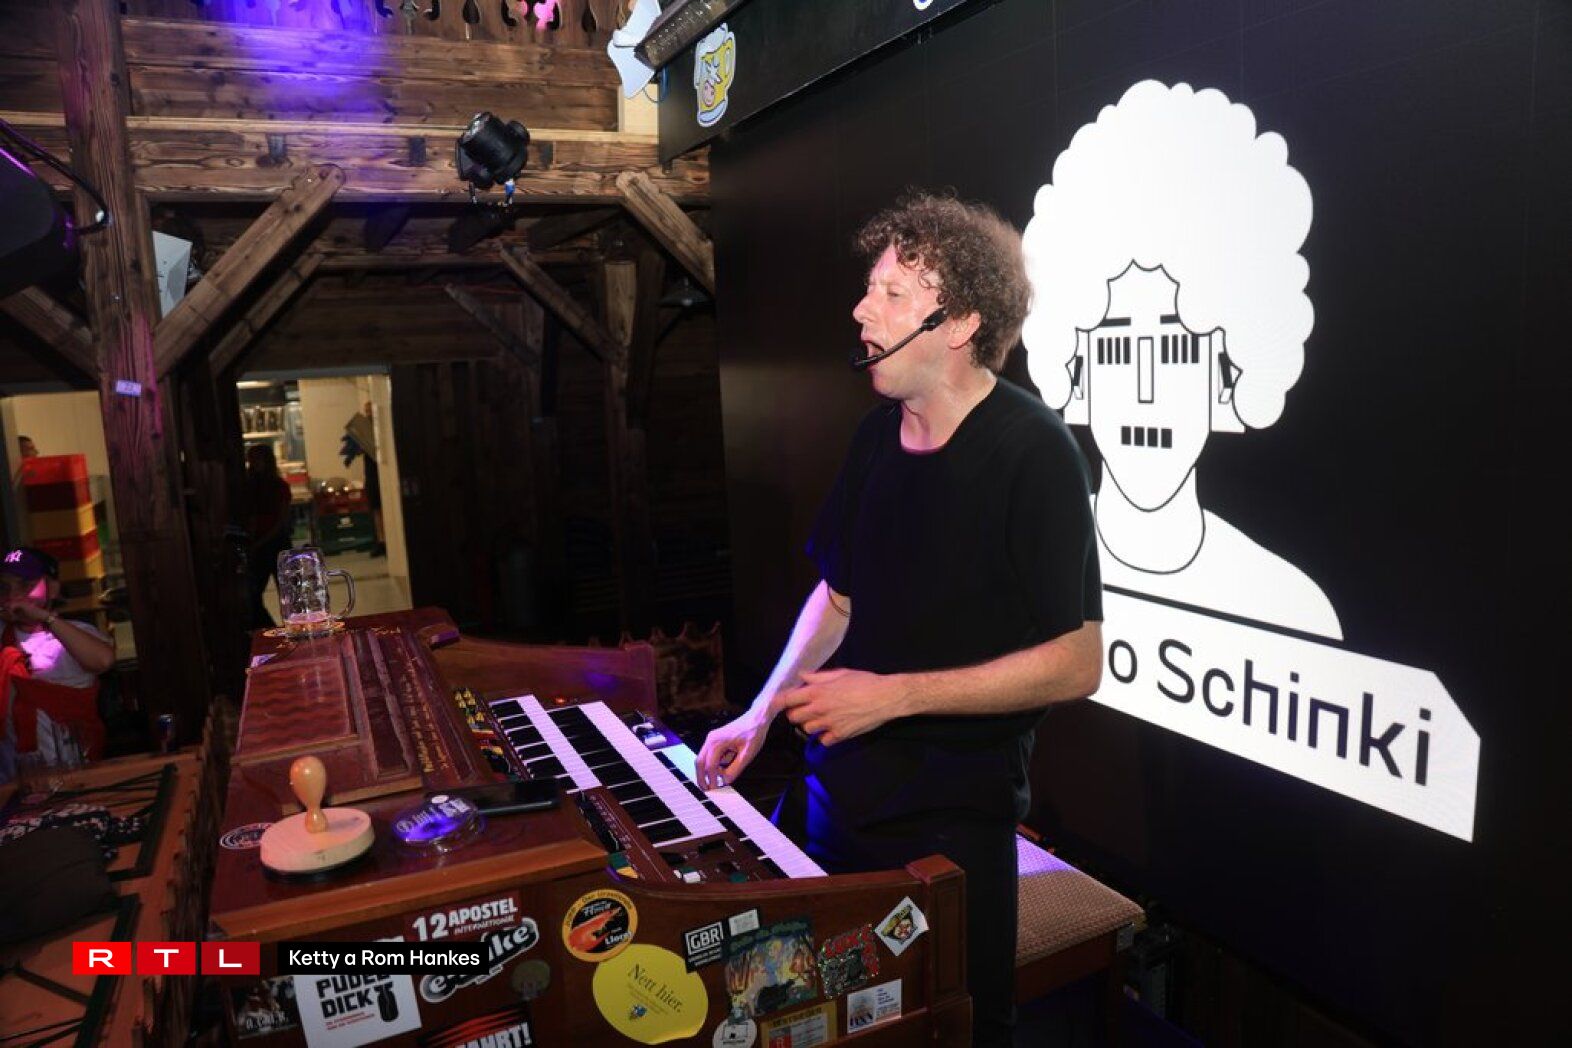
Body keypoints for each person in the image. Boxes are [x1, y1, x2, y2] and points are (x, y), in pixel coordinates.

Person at [696, 191, 1104, 1046]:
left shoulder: (1033, 451)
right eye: (869, 288)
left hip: (951, 823)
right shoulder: (877, 439)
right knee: (809, 1015)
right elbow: (837, 596)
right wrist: (761, 713)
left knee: (952, 1026)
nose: (860, 308)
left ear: (960, 325)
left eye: (890, 293)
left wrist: (893, 696)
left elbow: (1077, 662)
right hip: (833, 790)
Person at [1, 547, 116, 782]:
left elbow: (103, 660)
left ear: (52, 588)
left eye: (25, 585)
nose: (13, 595)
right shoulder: (3, 638)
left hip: (77, 774)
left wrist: (45, 617)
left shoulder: (76, 633)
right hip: (18, 780)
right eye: (4, 588)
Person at [245, 444, 295, 628]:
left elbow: (281, 521)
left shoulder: (278, 487)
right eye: (251, 460)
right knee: (253, 594)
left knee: (287, 594)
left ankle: (288, 628)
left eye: (257, 460)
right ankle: (270, 629)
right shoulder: (251, 487)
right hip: (264, 544)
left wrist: (258, 542)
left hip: (275, 543)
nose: (253, 464)